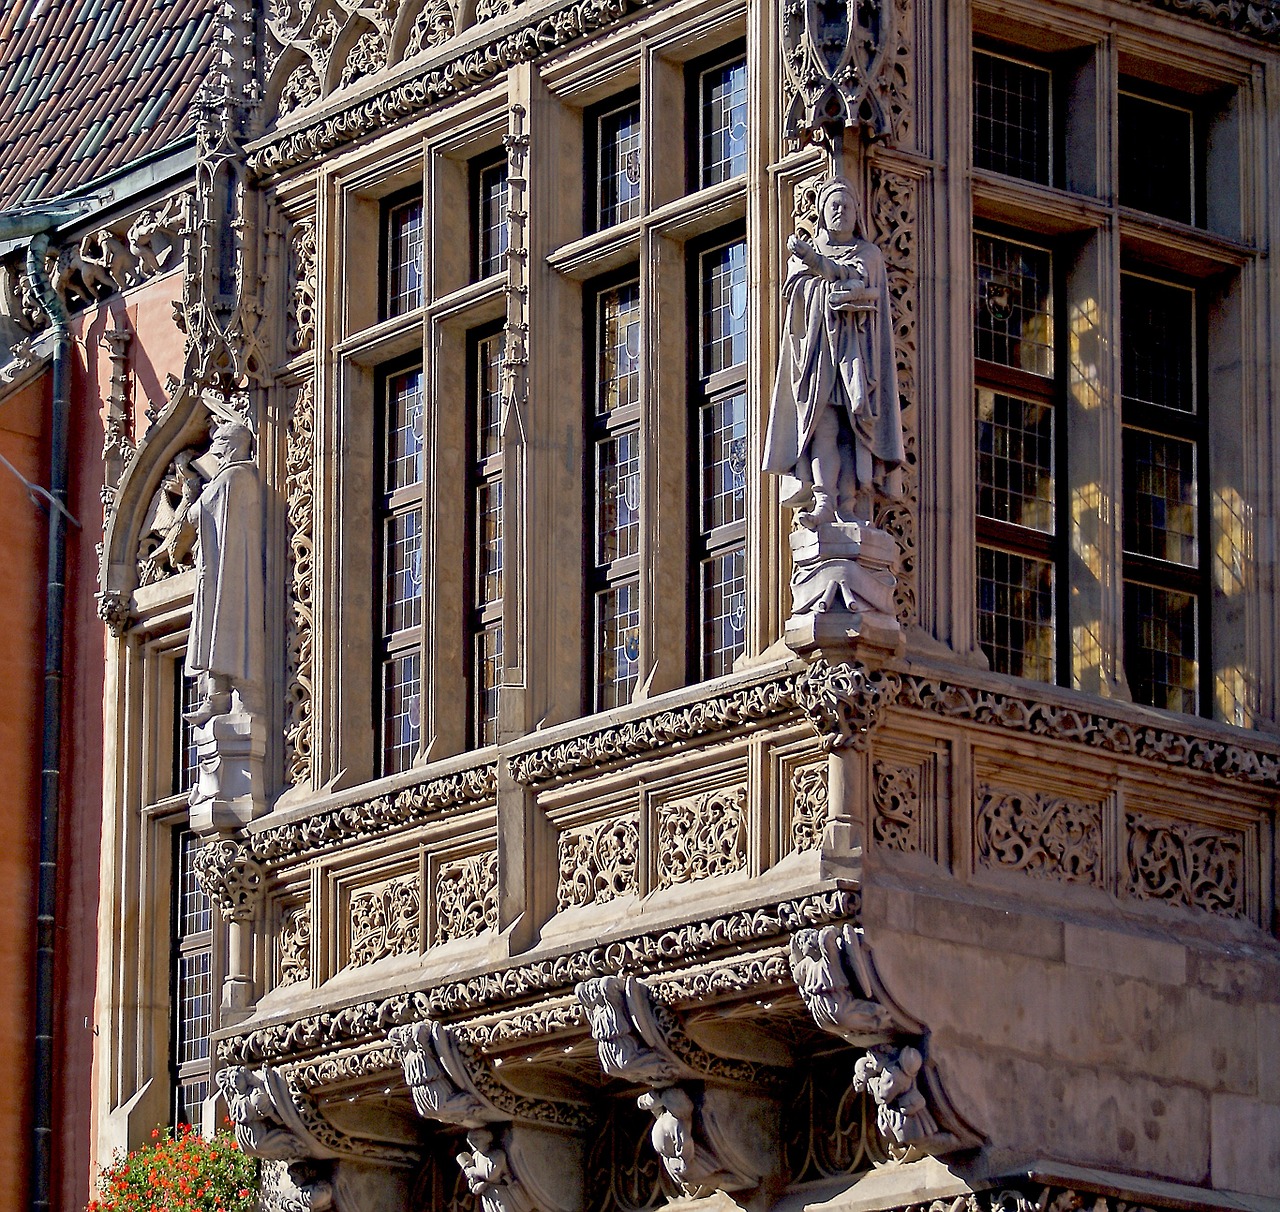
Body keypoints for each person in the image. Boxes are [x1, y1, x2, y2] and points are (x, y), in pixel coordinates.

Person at [763, 176, 904, 528]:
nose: (841, 212)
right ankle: (824, 500)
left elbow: (858, 280)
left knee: (851, 430)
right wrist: (818, 273)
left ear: (858, 214)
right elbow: (794, 293)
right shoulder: (807, 258)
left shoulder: (867, 254)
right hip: (817, 354)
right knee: (821, 428)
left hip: (858, 357)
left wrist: (819, 265)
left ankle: (849, 503)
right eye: (834, 206)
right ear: (823, 214)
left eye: (848, 206)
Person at [184, 417, 264, 724]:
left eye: (219, 449)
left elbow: (199, 513)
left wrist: (195, 495)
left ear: (230, 448)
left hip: (228, 574)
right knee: (215, 630)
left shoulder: (232, 479)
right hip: (218, 570)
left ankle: (225, 696)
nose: (215, 456)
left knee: (222, 630)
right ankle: (216, 696)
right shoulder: (232, 479)